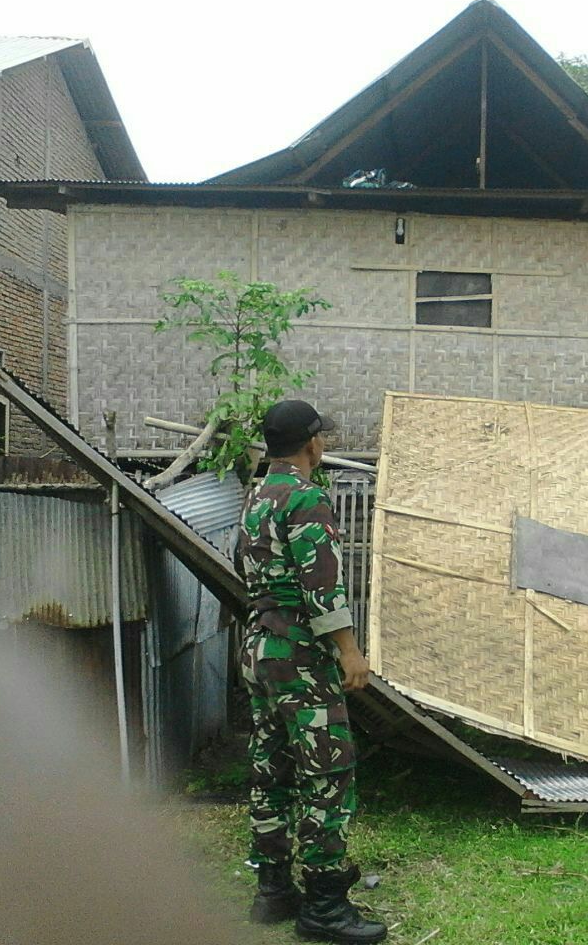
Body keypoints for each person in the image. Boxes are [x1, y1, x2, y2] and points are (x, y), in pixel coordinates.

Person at [234, 399, 385, 944]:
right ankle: (324, 906)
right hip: (300, 652)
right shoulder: (306, 497)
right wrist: (349, 650)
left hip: (260, 648)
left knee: (271, 766)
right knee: (327, 773)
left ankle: (272, 890)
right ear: (313, 444)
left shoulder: (254, 497)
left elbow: (243, 569)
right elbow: (321, 586)